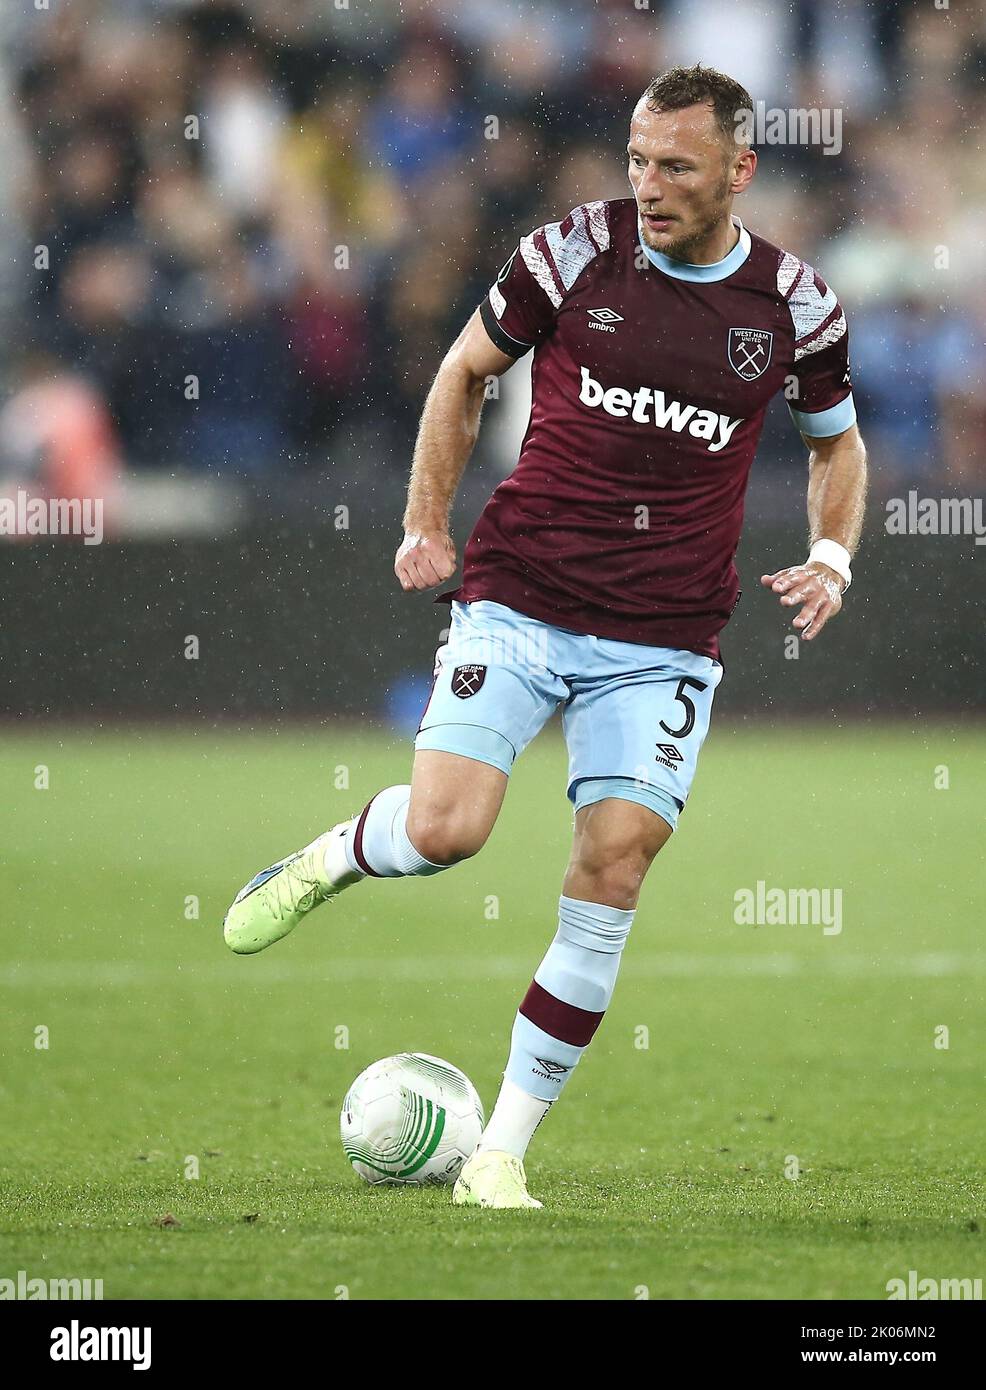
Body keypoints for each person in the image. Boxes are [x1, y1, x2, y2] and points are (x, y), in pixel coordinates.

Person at [222, 66, 867, 1209]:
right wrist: (425, 520)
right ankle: (330, 855)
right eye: (635, 160)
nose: (649, 184)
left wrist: (830, 557)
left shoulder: (793, 306)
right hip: (520, 595)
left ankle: (500, 1152)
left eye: (675, 164)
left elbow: (834, 441)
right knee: (447, 830)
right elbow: (464, 370)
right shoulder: (571, 253)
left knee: (611, 863)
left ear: (738, 168)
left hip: (664, 635)